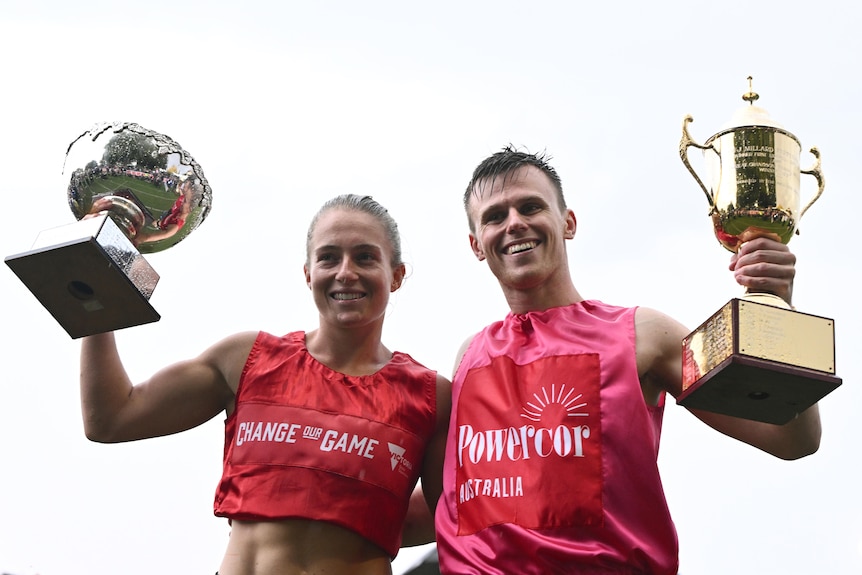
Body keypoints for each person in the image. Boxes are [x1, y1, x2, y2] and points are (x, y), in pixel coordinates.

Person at [410, 146, 821, 575]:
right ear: (477, 244)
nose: (514, 223)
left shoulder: (646, 335)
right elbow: (454, 503)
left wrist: (775, 308)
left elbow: (791, 437)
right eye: (495, 216)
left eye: (530, 206)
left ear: (568, 222)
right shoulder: (468, 357)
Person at [79, 194, 450, 575]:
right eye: (328, 257)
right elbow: (112, 417)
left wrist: (370, 511)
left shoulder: (432, 397)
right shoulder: (247, 360)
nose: (345, 272)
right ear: (308, 273)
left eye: (365, 257)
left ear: (397, 275)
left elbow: (450, 518)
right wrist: (100, 282)